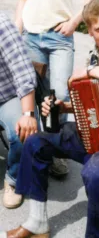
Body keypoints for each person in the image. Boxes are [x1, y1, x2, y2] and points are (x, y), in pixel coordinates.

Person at [0, 0, 99, 238]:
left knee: (96, 173)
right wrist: (63, 107)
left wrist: (89, 71)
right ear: (90, 31)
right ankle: (37, 221)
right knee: (36, 141)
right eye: (98, 29)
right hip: (94, 137)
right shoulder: (96, 55)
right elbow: (93, 105)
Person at [12, 0, 99, 176]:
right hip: (31, 38)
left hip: (59, 39)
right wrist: (15, 32)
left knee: (58, 98)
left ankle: (57, 151)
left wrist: (75, 21)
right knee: (36, 96)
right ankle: (43, 150)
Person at [0, 13, 38, 209]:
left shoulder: (2, 24)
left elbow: (22, 72)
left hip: (8, 95)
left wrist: (28, 115)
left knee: (22, 132)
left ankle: (13, 178)